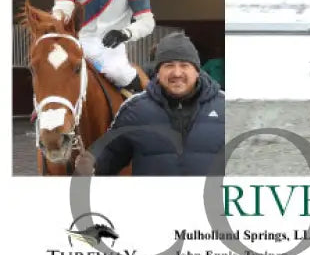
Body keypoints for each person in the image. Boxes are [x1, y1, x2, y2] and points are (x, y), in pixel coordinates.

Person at [73, 31, 225, 177]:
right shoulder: (136, 109)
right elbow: (111, 152)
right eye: (169, 65)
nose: (177, 73)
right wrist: (90, 162)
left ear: (197, 70)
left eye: (185, 65)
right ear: (157, 72)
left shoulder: (225, 107)